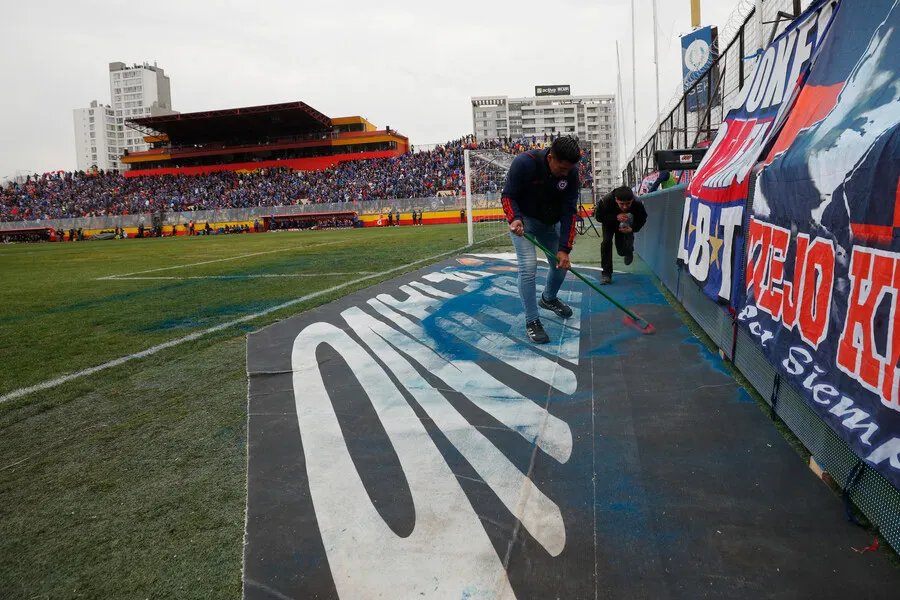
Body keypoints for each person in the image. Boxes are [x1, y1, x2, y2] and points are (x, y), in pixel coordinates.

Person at [503, 136, 581, 344]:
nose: (566, 173)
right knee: (528, 267)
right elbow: (508, 195)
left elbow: (569, 212)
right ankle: (532, 320)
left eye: (569, 169)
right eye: (563, 168)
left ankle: (548, 298)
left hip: (550, 223)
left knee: (561, 265)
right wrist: (515, 218)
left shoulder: (572, 172)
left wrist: (565, 249)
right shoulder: (524, 163)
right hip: (524, 223)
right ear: (551, 158)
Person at [593, 186, 648, 285]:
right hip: (609, 224)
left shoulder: (637, 203)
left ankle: (628, 250)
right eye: (621, 204)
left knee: (621, 251)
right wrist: (615, 217)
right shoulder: (605, 200)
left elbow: (642, 218)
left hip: (626, 226)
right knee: (606, 242)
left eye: (628, 204)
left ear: (632, 200)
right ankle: (606, 274)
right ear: (616, 200)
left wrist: (633, 229)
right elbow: (599, 217)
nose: (625, 207)